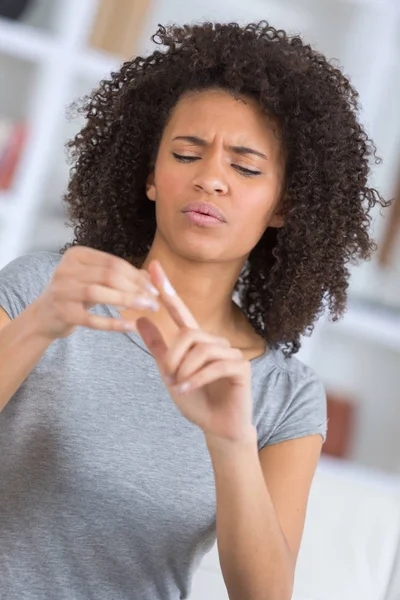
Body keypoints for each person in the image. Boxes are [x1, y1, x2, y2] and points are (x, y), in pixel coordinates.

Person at [0, 20, 388, 600]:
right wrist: (38, 327)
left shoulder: (285, 396)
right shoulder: (43, 288)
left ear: (282, 206)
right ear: (151, 175)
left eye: (246, 167)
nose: (210, 179)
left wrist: (232, 440)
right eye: (187, 154)